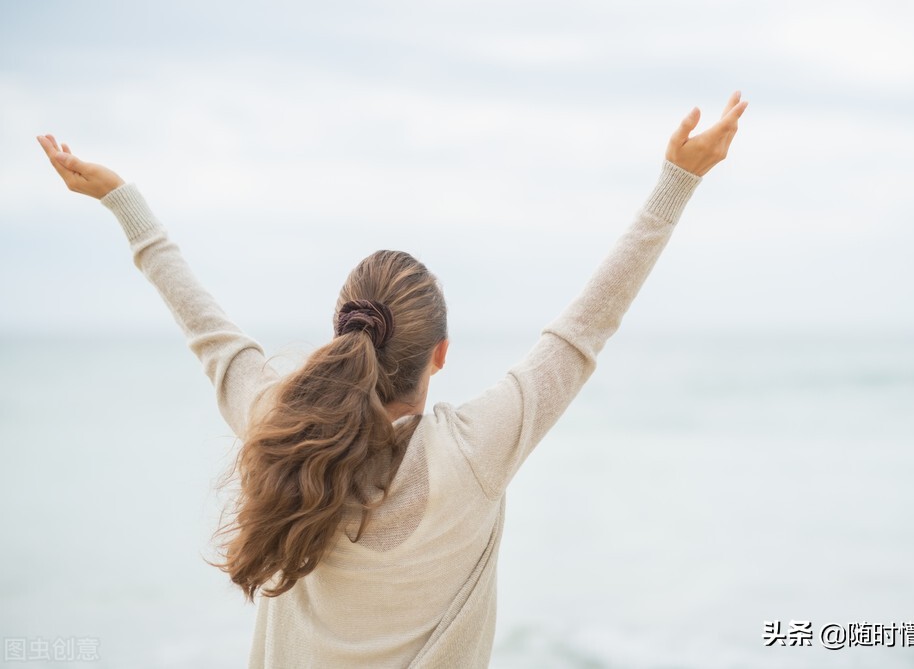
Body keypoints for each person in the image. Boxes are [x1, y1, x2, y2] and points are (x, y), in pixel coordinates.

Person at [36, 91, 748, 668]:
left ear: (341, 335)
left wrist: (124, 202)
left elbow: (208, 332)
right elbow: (583, 330)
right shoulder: (474, 452)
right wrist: (675, 182)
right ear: (440, 354)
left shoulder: (277, 427)